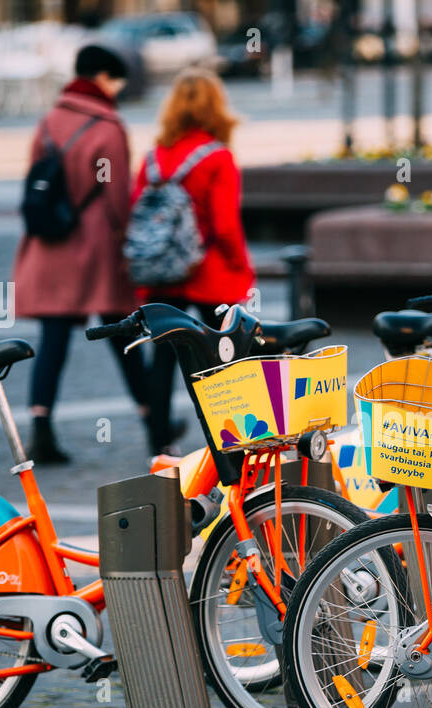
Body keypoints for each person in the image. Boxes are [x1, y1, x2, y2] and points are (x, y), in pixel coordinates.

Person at [12, 45, 168, 464]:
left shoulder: (49, 121)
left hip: (52, 247)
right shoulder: (108, 127)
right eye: (115, 80)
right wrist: (126, 243)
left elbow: (36, 181)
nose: (117, 88)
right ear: (101, 78)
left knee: (53, 341)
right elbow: (118, 199)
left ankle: (41, 428)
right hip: (97, 250)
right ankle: (156, 426)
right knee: (125, 337)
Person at [130, 68, 256, 453]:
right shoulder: (217, 157)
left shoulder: (154, 158)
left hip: (164, 272)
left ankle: (158, 443)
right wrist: (241, 266)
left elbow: (136, 209)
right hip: (210, 272)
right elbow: (225, 225)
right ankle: (230, 436)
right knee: (226, 354)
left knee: (164, 358)